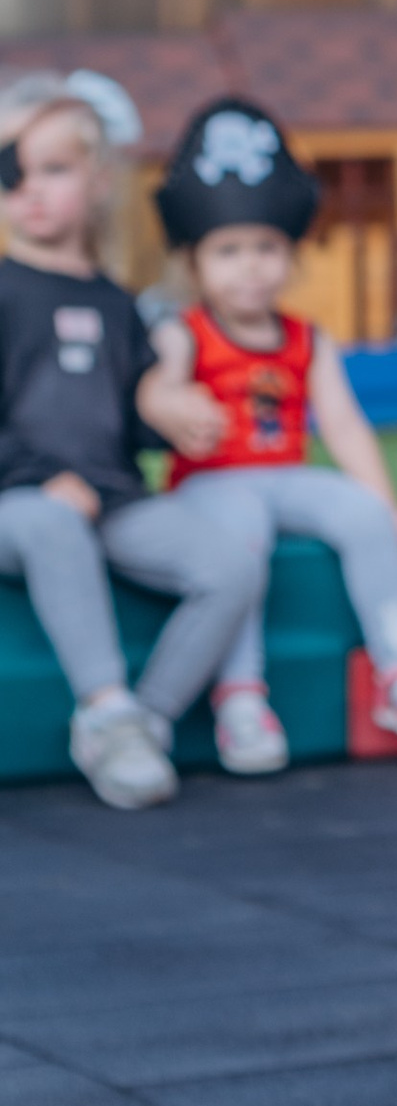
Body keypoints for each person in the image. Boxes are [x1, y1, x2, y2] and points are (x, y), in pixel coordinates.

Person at [136, 99, 397, 764]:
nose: (250, 266)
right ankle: (241, 696)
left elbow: (342, 424)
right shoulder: (183, 331)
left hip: (282, 474)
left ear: (290, 254)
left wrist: (387, 504)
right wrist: (173, 403)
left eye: (266, 248)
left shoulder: (305, 337)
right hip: (211, 485)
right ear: (194, 264)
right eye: (228, 251)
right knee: (241, 529)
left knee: (362, 513)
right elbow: (154, 389)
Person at [0, 78, 267, 811]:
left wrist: (174, 411)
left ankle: (139, 720)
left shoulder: (117, 302)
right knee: (53, 523)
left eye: (52, 169)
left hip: (109, 498)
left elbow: (137, 408)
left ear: (98, 179)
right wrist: (40, 475)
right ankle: (103, 699)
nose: (29, 191)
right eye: (10, 170)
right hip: (19, 504)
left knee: (226, 567)